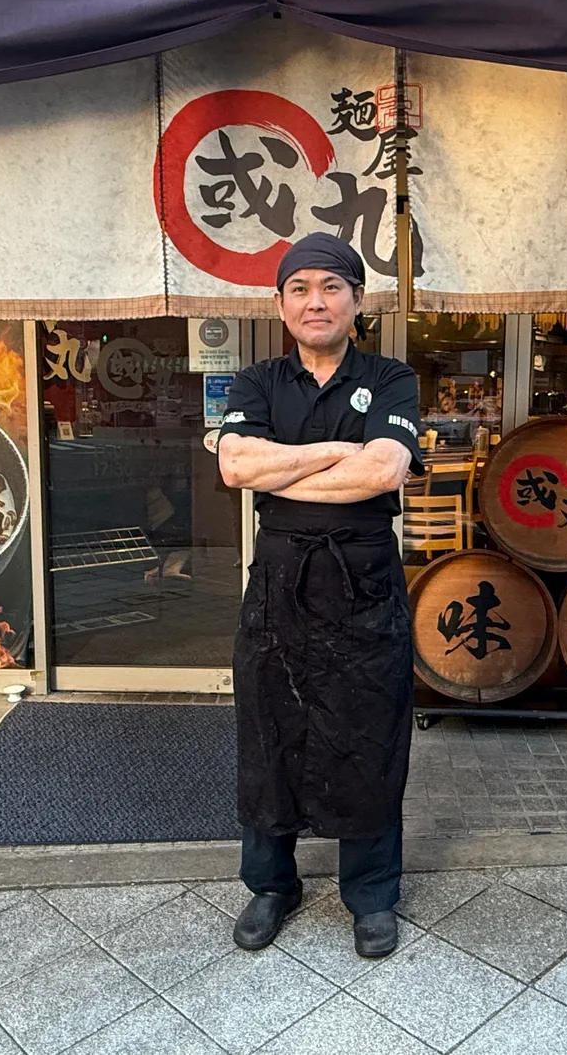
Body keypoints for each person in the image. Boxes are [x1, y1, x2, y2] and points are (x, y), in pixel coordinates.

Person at [217, 232, 423, 959]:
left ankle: (370, 893)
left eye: (331, 286)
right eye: (300, 287)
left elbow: (382, 472)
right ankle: (271, 884)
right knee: (270, 729)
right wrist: (339, 452)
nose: (316, 301)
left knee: (367, 732)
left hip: (363, 577)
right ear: (279, 302)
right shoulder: (256, 381)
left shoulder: (392, 378)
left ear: (358, 300)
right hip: (278, 580)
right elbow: (235, 465)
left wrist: (287, 468)